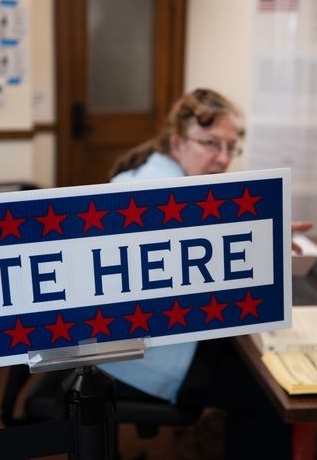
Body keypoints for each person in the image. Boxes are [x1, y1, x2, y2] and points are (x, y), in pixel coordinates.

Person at [104, 87, 292, 460]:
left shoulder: (165, 177)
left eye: (230, 147)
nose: (223, 159)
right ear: (178, 142)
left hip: (147, 336)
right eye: (210, 144)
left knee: (256, 357)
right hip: (138, 355)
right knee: (268, 393)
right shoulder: (156, 192)